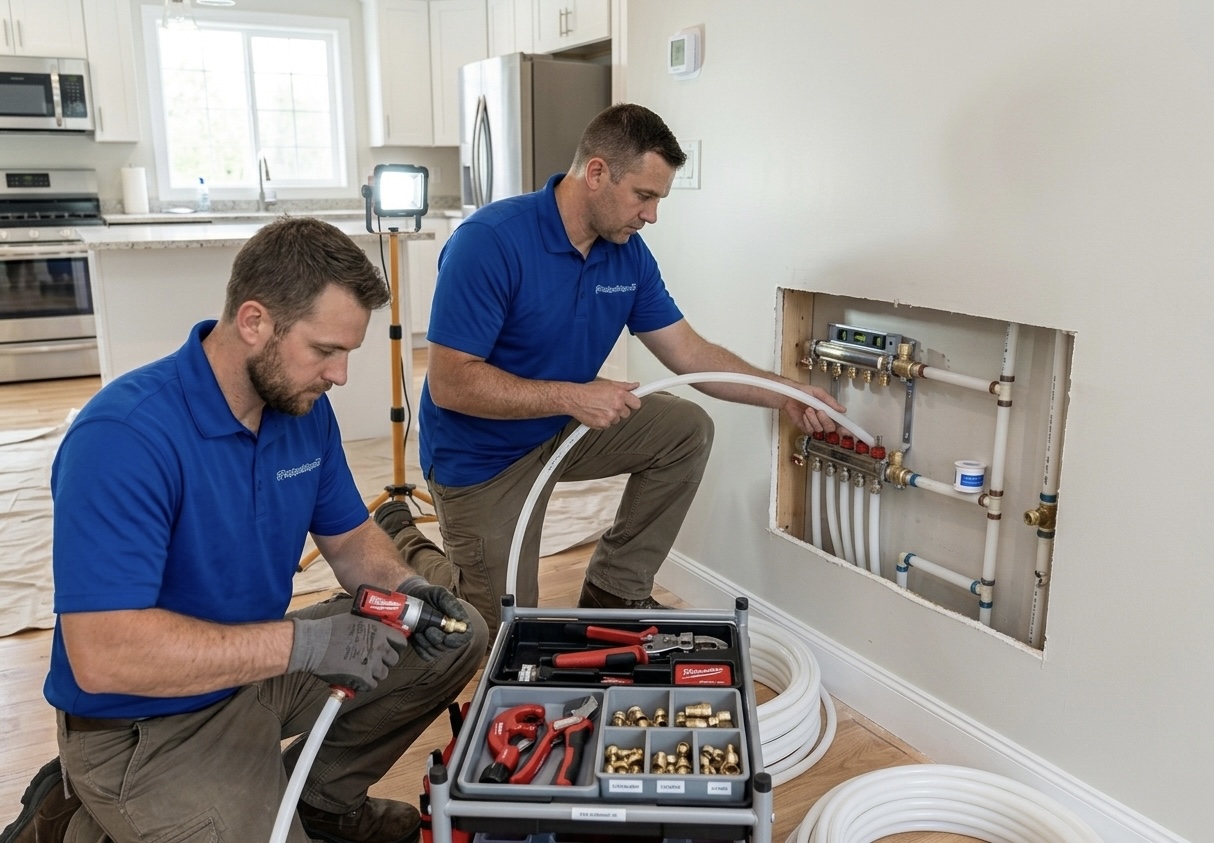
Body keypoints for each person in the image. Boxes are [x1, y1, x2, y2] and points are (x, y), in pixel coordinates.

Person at [1, 217, 487, 843]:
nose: (339, 375)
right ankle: (79, 816)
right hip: (144, 725)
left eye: (347, 353)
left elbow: (347, 538)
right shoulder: (124, 437)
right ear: (254, 322)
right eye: (325, 350)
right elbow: (104, 656)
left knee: (458, 637)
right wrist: (308, 647)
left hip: (255, 664)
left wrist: (408, 590)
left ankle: (322, 803)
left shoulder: (299, 410)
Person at [374, 103, 846, 632]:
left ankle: (615, 595)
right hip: (484, 457)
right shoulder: (490, 242)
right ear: (596, 173)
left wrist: (786, 394)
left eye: (658, 199)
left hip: (562, 431)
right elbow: (450, 384)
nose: (651, 215)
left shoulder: (629, 255)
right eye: (644, 195)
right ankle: (402, 537)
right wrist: (573, 397)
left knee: (685, 429)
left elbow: (689, 353)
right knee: (494, 632)